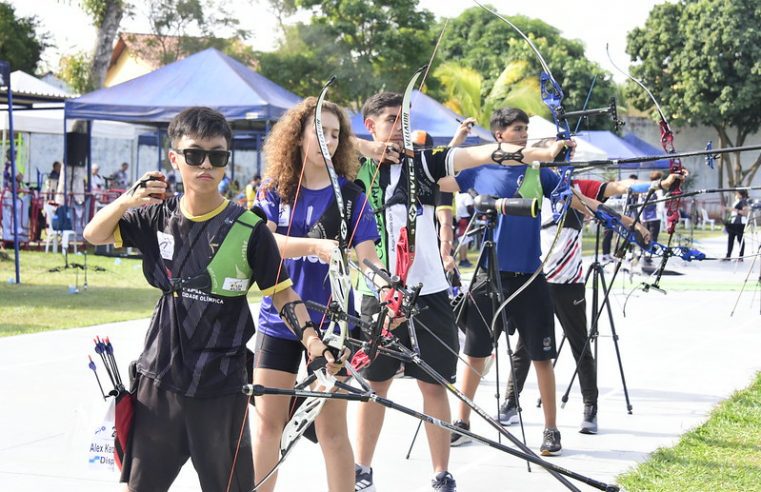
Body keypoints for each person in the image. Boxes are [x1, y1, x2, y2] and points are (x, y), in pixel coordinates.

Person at [82, 106, 340, 491]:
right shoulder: (156, 218)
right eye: (194, 154)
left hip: (221, 390)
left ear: (227, 160)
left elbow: (282, 292)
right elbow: (93, 234)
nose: (206, 165)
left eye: (217, 156)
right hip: (159, 383)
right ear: (174, 158)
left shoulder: (250, 229)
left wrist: (312, 339)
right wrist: (126, 201)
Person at [352, 94, 570, 492]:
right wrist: (369, 148)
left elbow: (484, 155)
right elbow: (317, 141)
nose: (400, 127)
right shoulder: (357, 170)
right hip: (378, 293)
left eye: (405, 120)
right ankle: (362, 469)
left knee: (433, 385)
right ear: (370, 125)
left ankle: (440, 473)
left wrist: (538, 151)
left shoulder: (425, 163)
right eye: (390, 120)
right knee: (376, 385)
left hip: (430, 292)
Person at [439, 108, 651, 456]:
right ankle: (461, 421)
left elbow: (580, 200)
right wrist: (457, 143)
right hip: (488, 275)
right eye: (516, 129)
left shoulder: (541, 172)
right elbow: (440, 179)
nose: (523, 134)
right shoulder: (479, 170)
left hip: (531, 277)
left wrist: (624, 219)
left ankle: (551, 431)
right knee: (475, 353)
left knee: (542, 356)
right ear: (499, 136)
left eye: (525, 129)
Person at [497, 168, 686, 436]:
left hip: (569, 281)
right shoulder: (529, 185)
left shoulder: (577, 188)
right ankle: (510, 402)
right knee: (525, 347)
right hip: (535, 278)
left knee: (580, 344)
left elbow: (620, 186)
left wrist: (660, 185)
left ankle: (590, 406)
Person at [252, 97, 380, 492]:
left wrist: (386, 287)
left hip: (332, 330)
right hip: (279, 320)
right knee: (268, 424)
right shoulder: (274, 191)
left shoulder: (353, 196)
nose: (328, 139)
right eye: (319, 132)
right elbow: (263, 243)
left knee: (332, 433)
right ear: (298, 136)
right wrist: (315, 247)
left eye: (335, 134)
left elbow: (368, 259)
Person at [725, 190, 750, 260]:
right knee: (731, 238)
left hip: (740, 223)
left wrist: (734, 210)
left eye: (737, 193)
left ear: (740, 194)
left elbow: (745, 213)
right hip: (735, 222)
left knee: (740, 239)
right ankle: (728, 256)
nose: (735, 195)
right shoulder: (739, 201)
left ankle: (741, 257)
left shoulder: (743, 201)